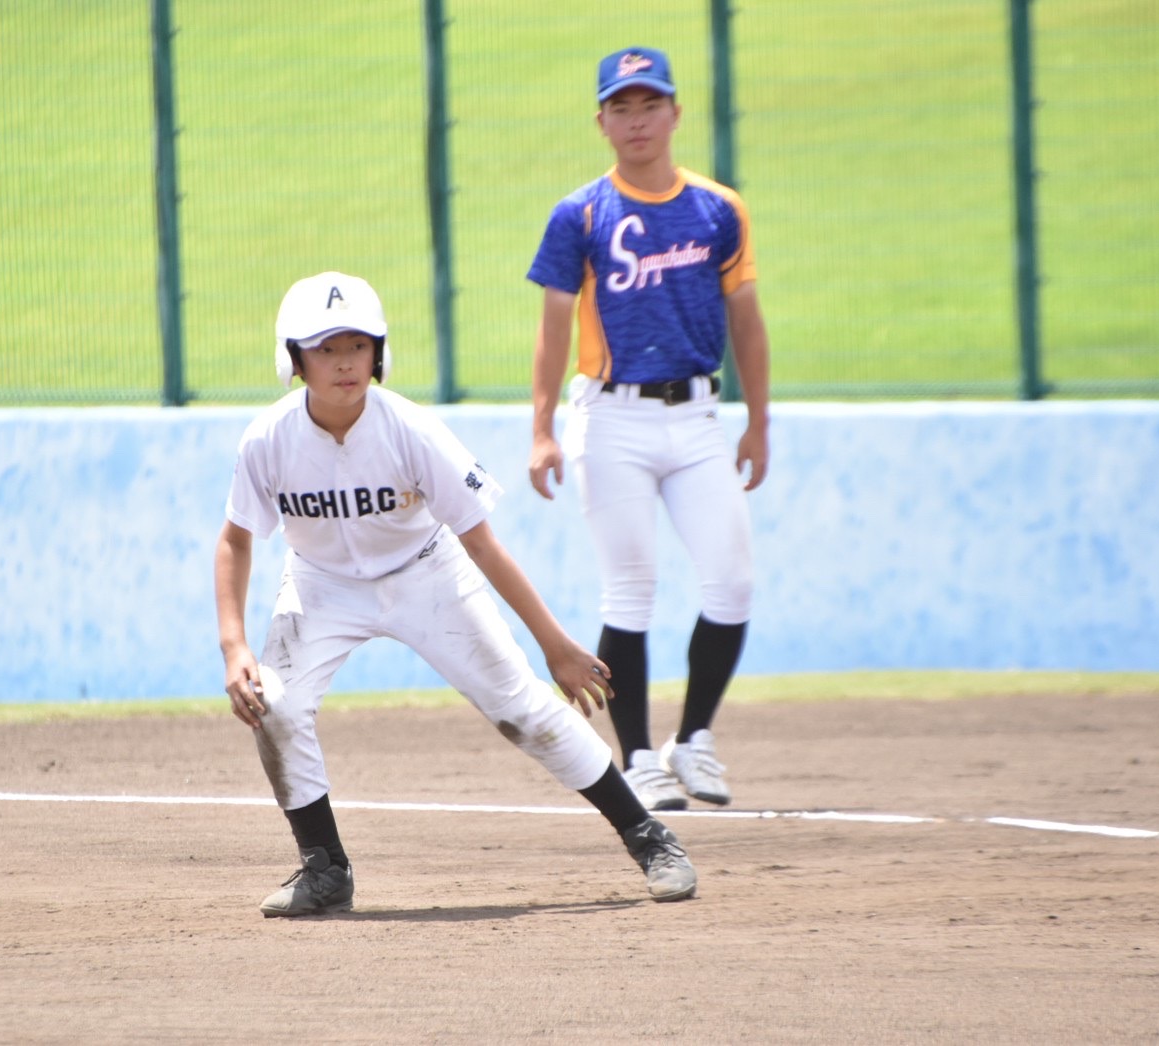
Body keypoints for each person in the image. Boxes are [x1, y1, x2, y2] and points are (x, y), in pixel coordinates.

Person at [213, 270, 698, 916]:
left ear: (379, 354)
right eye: (325, 349)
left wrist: (553, 645)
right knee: (273, 704)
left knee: (523, 710)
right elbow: (235, 541)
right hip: (320, 584)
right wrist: (234, 646)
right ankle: (324, 867)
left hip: (427, 573)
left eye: (357, 345)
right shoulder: (268, 439)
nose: (345, 362)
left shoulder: (411, 430)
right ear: (293, 360)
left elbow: (482, 544)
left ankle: (649, 836)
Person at [525, 47, 771, 812]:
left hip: (697, 414)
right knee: (630, 589)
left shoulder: (718, 209)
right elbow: (553, 328)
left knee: (732, 580)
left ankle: (691, 740)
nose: (637, 120)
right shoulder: (581, 214)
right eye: (621, 108)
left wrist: (759, 422)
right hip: (611, 416)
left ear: (675, 113)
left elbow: (747, 320)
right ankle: (635, 757)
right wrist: (541, 428)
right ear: (601, 122)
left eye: (650, 104)